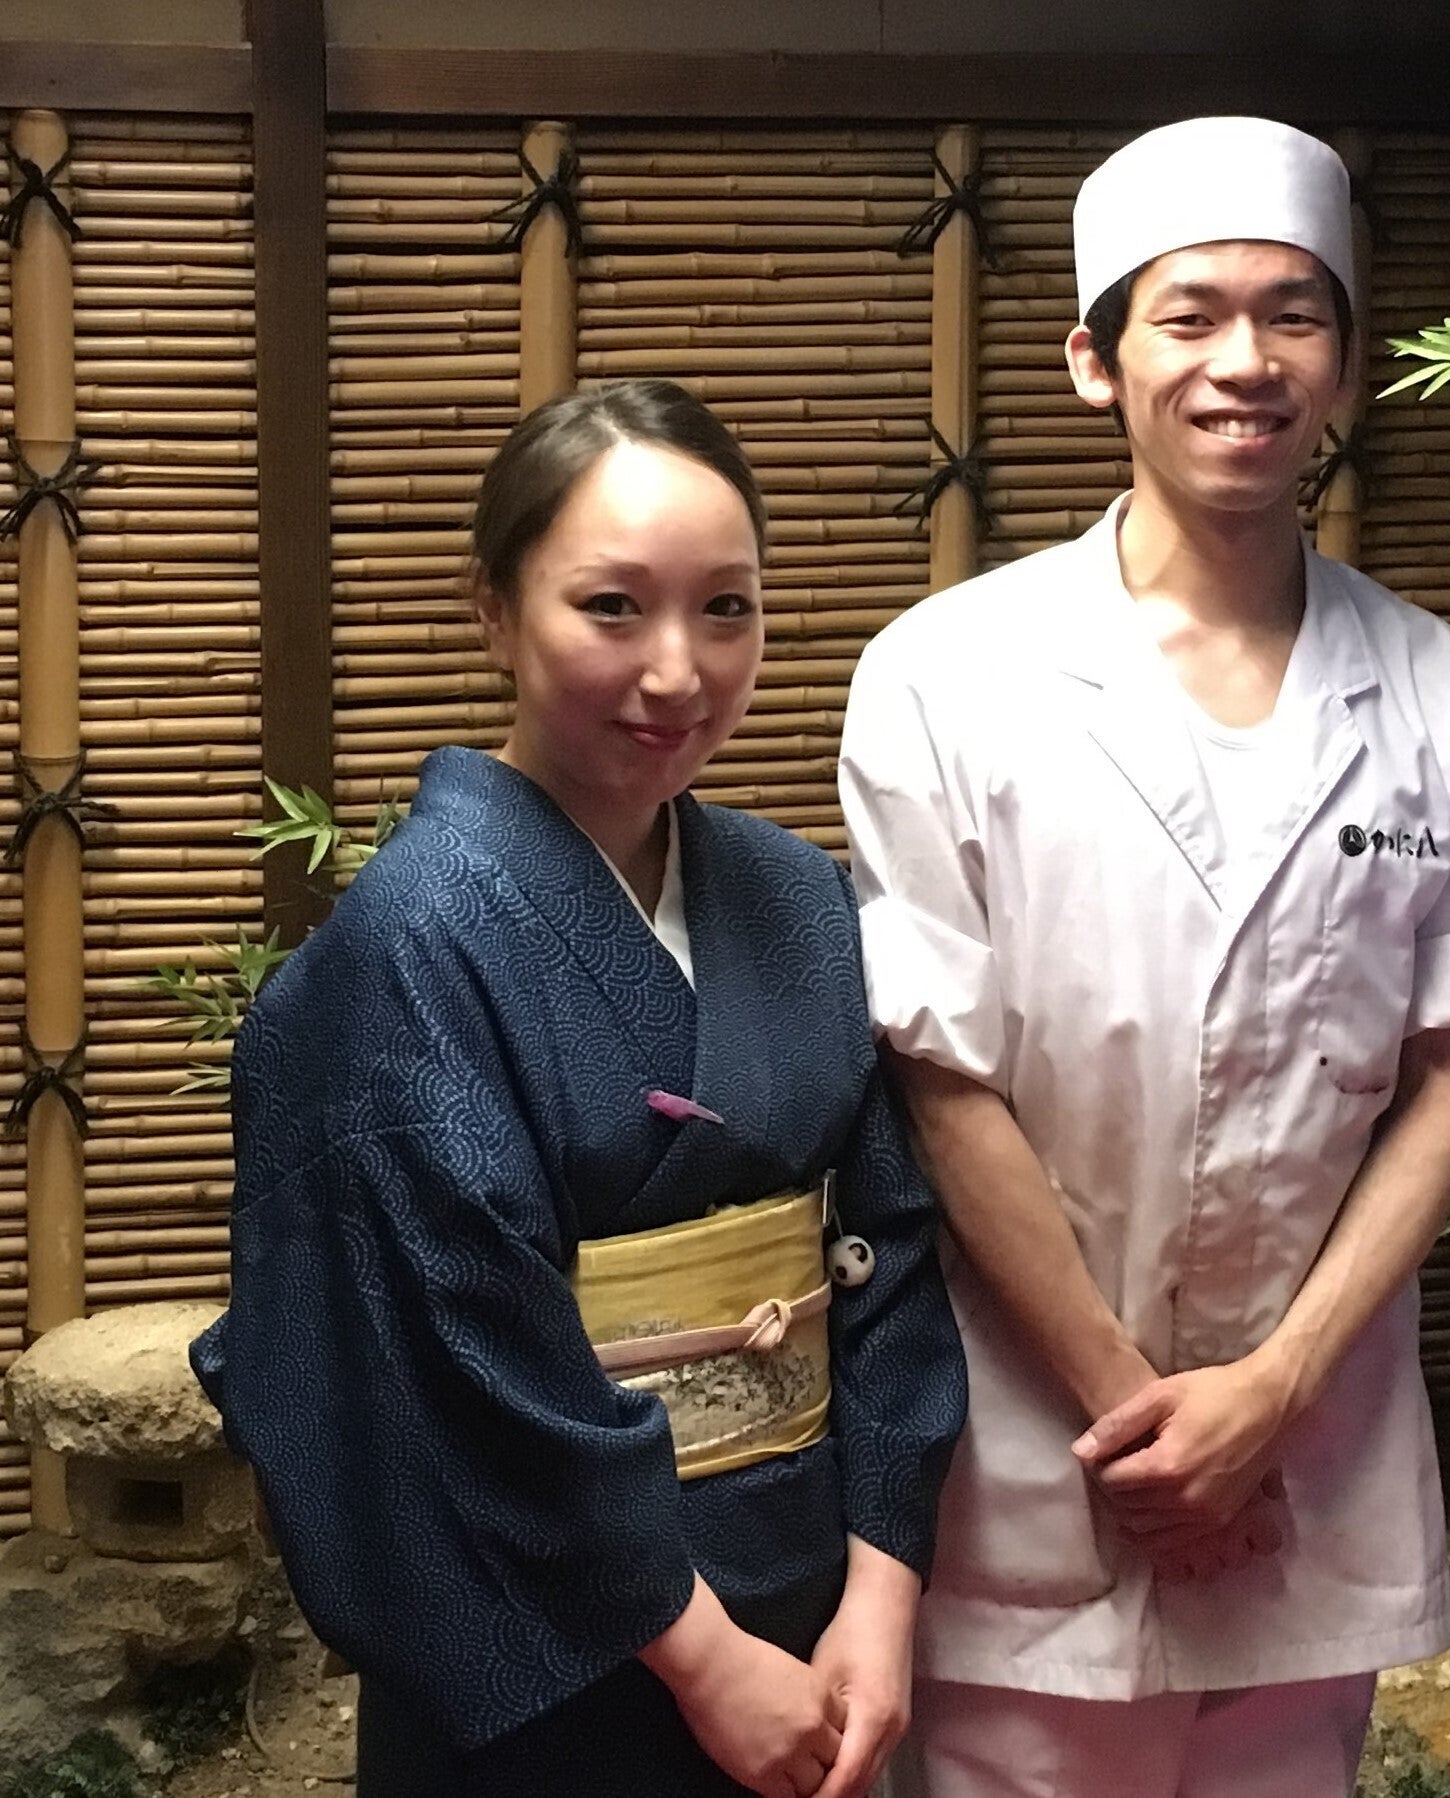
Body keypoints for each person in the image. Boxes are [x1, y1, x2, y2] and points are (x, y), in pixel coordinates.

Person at [838, 117, 1450, 1797]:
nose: (1245, 360)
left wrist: (1269, 1396)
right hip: (1037, 1460)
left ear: (1348, 367)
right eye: (1190, 315)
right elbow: (941, 1076)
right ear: (1094, 359)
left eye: (1293, 314)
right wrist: (1141, 1420)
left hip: (1310, 1459)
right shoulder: (946, 675)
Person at [192, 380, 967, 1798]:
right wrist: (703, 1657)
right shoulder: (412, 946)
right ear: (496, 611)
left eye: (725, 609)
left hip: (815, 1603)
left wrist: (883, 1584)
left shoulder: (796, 899)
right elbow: (457, 1356)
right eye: (612, 607)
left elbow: (892, 1249)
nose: (678, 671)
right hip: (559, 1637)